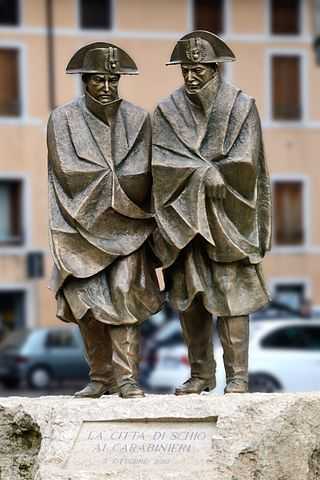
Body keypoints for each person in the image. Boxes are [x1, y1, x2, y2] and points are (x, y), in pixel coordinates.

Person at [151, 31, 272, 394]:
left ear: (215, 69)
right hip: (184, 220)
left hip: (227, 219)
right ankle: (201, 375)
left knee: (233, 298)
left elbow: (247, 160)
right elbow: (161, 161)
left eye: (198, 70)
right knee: (191, 300)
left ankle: (238, 377)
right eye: (185, 69)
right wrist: (202, 172)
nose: (190, 76)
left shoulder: (240, 106)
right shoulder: (166, 110)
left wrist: (217, 174)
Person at [47, 42, 163, 398]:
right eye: (99, 79)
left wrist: (123, 191)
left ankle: (126, 378)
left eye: (113, 79)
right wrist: (111, 181)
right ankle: (100, 376)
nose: (107, 86)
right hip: (79, 228)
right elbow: (66, 169)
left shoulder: (138, 118)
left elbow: (146, 170)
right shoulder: (62, 119)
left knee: (124, 298)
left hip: (129, 225)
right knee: (87, 303)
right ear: (85, 80)